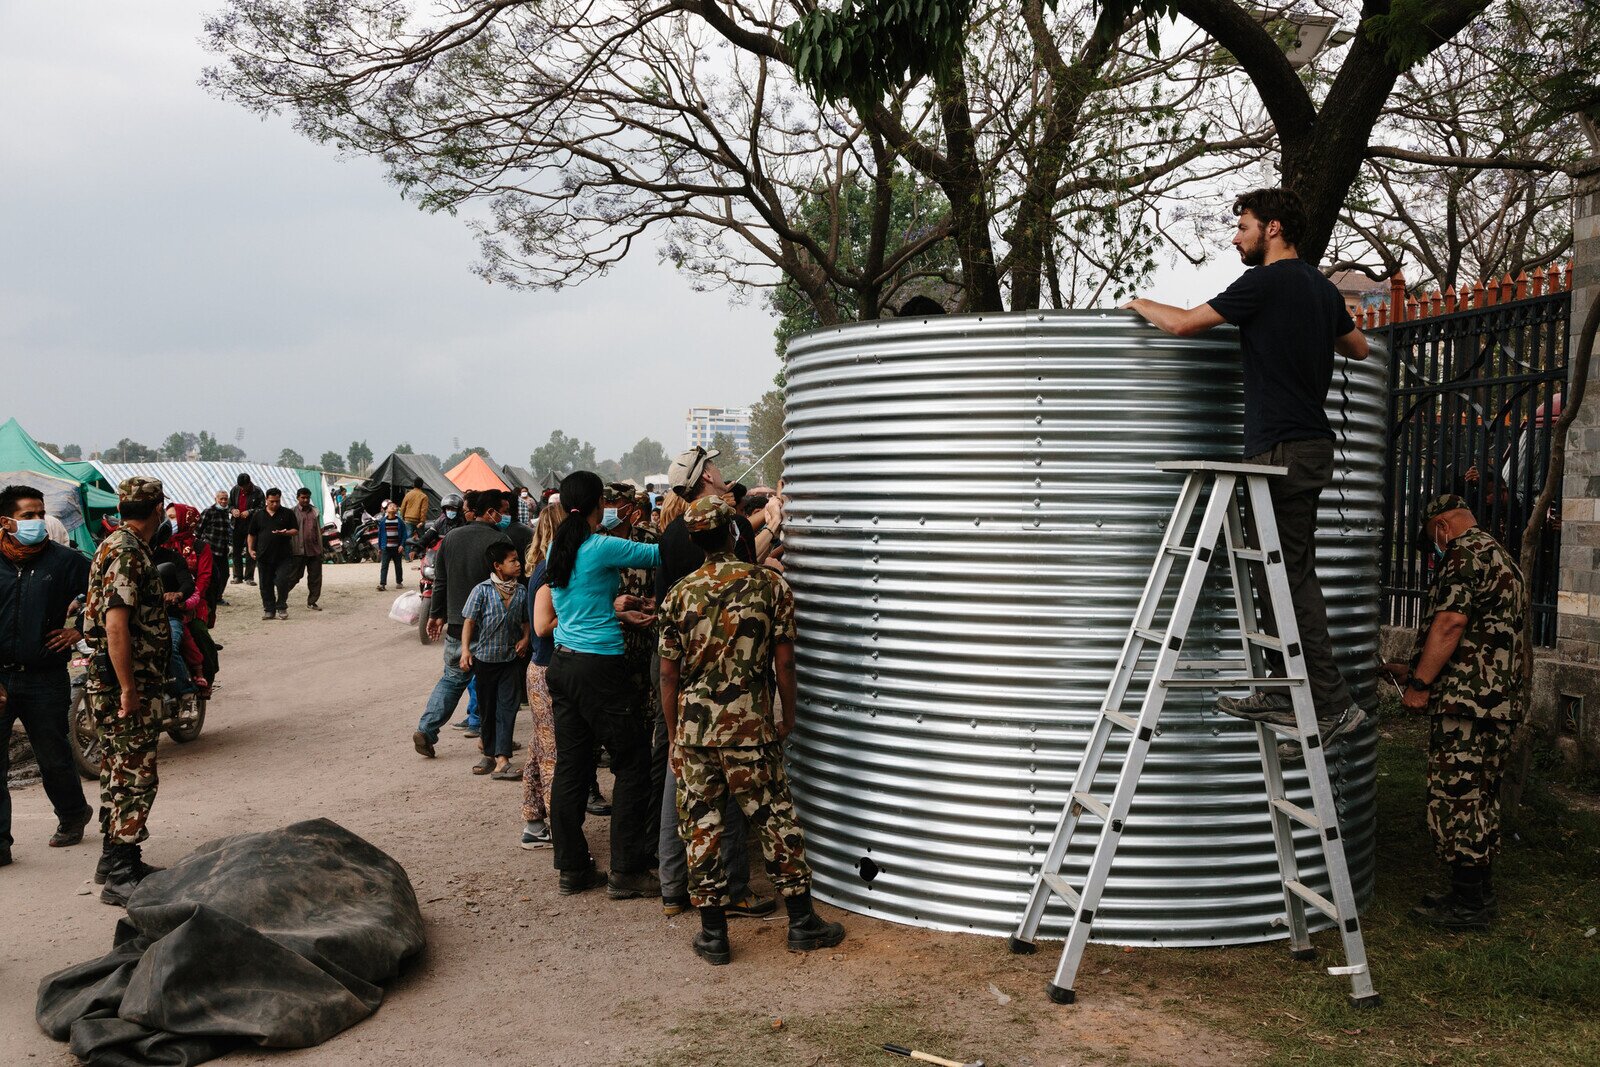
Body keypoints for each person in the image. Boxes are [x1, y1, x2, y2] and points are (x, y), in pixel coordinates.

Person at [1123, 187, 1370, 755]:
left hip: (1282, 450)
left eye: (1244, 226)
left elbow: (1184, 324)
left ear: (1273, 228)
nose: (1236, 236)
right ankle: (1285, 693)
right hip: (1303, 446)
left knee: (1292, 578)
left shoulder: (1263, 283)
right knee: (1273, 574)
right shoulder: (1319, 288)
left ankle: (1333, 706)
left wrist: (1139, 302)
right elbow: (1357, 348)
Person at [658, 495, 843, 965]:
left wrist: (675, 732)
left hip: (697, 735)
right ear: (733, 534)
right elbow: (785, 660)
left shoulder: (679, 594)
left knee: (702, 828)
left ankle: (714, 934)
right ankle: (801, 922)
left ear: (695, 540)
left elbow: (668, 675)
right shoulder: (769, 587)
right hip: (752, 729)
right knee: (776, 819)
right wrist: (789, 715)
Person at [1381, 494, 1527, 930]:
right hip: (1493, 700)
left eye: (1432, 539)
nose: (1435, 548)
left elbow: (1451, 624)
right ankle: (1474, 893)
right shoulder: (1497, 553)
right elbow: (1484, 637)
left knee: (1456, 799)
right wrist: (1410, 668)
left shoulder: (1463, 554)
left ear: (1442, 526)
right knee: (1479, 797)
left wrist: (1420, 686)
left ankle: (1469, 907)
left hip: (1468, 704)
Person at [540, 471, 661, 899]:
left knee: (573, 766)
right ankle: (626, 870)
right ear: (599, 504)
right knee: (632, 763)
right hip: (600, 669)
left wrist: (618, 611)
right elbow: (660, 554)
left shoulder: (560, 546)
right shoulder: (601, 545)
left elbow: (580, 604)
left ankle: (572, 868)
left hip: (563, 665)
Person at [653, 448, 763, 915]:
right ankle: (735, 890)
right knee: (734, 786)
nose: (722, 474)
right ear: (704, 478)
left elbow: (664, 617)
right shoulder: (732, 528)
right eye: (714, 468)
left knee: (679, 781)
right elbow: (750, 582)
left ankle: (673, 887)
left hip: (680, 672)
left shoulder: (670, 535)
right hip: (727, 679)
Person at [83, 477, 170, 906]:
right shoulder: (126, 551)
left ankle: (113, 859)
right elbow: (116, 624)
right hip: (123, 684)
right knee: (135, 776)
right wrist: (128, 688)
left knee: (117, 770)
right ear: (158, 509)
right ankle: (121, 871)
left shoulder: (115, 543)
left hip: (114, 681)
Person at [0, 484, 93, 870]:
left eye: (41, 514)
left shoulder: (67, 562)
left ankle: (73, 815)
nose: (38, 521)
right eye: (28, 516)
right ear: (6, 522)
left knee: (53, 757)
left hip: (45, 678)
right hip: (1, 680)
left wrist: (81, 631)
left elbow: (105, 597)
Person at [413, 491, 513, 756]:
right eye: (499, 511)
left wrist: (436, 614)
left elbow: (440, 581)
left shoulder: (451, 538)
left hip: (458, 625)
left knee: (452, 680)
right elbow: (510, 583)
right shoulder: (500, 539)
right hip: (492, 627)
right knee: (494, 685)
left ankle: (426, 729)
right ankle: (494, 741)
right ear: (490, 511)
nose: (502, 516)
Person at [461, 541, 530, 778]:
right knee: (488, 708)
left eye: (517, 559)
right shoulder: (481, 590)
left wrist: (525, 638)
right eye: (512, 561)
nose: (518, 564)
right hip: (485, 660)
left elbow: (526, 620)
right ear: (498, 566)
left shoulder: (521, 591)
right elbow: (469, 622)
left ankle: (502, 759)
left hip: (511, 659)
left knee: (508, 708)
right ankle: (488, 755)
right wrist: (466, 651)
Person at [518, 507, 562, 849]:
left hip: (539, 668)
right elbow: (541, 626)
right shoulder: (549, 571)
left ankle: (534, 821)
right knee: (551, 753)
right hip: (545, 667)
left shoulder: (541, 566)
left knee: (538, 747)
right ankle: (560, 829)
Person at [246, 488, 298, 620]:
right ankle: (269, 609)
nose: (275, 504)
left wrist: (285, 532)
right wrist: (251, 549)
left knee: (282, 581)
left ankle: (281, 606)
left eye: (277, 501)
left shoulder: (287, 513)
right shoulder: (258, 515)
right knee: (265, 584)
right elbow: (251, 534)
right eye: (272, 501)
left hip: (283, 556)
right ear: (266, 500)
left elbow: (295, 530)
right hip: (263, 555)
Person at [290, 487, 325, 611]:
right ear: (297, 497)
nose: (305, 500)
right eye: (302, 497)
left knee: (315, 578)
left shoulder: (315, 511)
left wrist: (321, 549)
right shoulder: (292, 512)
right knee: (294, 577)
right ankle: (281, 598)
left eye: (307, 498)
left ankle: (312, 601)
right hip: (298, 551)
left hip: (314, 550)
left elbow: (318, 530)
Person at [199, 490, 233, 609]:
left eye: (225, 499)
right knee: (212, 575)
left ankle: (218, 597)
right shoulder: (209, 511)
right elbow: (198, 529)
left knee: (225, 574)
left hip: (222, 550)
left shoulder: (226, 512)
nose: (223, 501)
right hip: (210, 550)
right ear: (216, 499)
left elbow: (227, 531)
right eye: (221, 499)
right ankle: (209, 598)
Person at [229, 473, 265, 586]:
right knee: (236, 551)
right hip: (237, 524)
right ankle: (237, 576)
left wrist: (249, 512)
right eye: (241, 487)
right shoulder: (235, 490)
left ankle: (249, 577)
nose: (242, 489)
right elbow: (229, 505)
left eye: (244, 487)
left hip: (252, 525)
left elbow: (262, 507)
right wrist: (233, 510)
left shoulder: (258, 491)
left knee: (251, 550)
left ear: (249, 483)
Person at [377, 502, 405, 591]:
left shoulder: (400, 521)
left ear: (396, 509)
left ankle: (399, 582)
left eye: (394, 506)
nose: (392, 507)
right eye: (390, 506)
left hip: (397, 548)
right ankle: (382, 584)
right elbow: (380, 535)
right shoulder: (383, 522)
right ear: (387, 510)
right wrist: (380, 548)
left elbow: (404, 534)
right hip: (386, 548)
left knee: (398, 566)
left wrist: (402, 545)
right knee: (384, 566)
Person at [400, 477, 430, 553]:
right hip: (418, 521)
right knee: (422, 538)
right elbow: (423, 510)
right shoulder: (424, 496)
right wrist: (422, 521)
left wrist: (402, 517)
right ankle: (422, 554)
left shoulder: (408, 494)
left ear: (413, 484)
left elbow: (403, 507)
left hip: (408, 519)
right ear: (422, 485)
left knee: (408, 538)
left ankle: (407, 557)